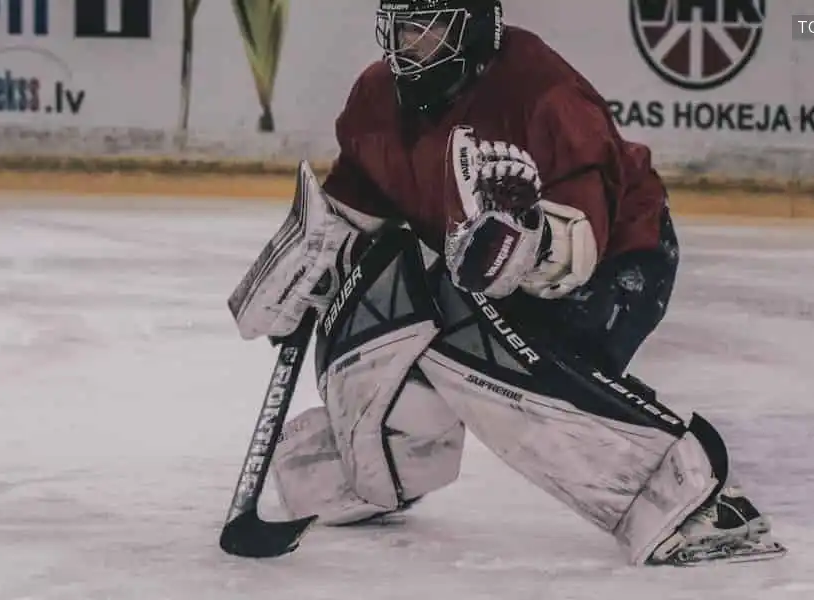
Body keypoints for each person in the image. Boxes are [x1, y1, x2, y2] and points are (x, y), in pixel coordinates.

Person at [226, 0, 784, 566]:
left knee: (471, 337)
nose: (407, 44)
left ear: (474, 27)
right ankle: (369, 470)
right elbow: (353, 209)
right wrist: (313, 263)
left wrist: (529, 243)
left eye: (428, 29)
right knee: (379, 298)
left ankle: (692, 499)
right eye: (401, 27)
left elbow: (578, 249)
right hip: (476, 277)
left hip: (618, 270)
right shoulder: (377, 97)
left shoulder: (542, 94)